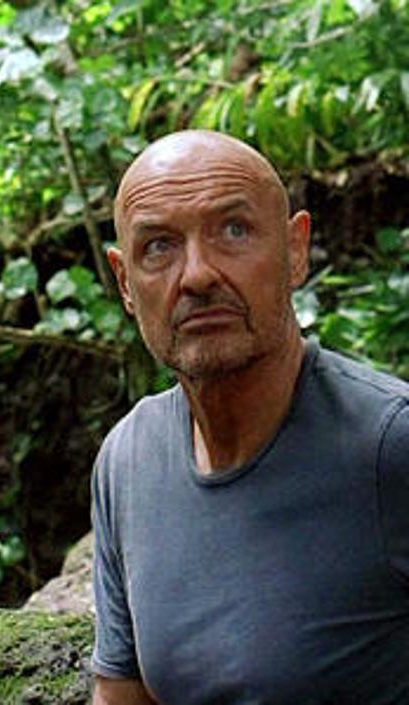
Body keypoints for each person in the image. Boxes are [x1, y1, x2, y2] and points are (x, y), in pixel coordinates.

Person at [90, 130, 409, 704]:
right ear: (125, 283)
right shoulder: (129, 458)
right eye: (158, 247)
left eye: (234, 231)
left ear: (295, 250)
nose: (197, 275)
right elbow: (123, 693)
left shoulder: (390, 445)